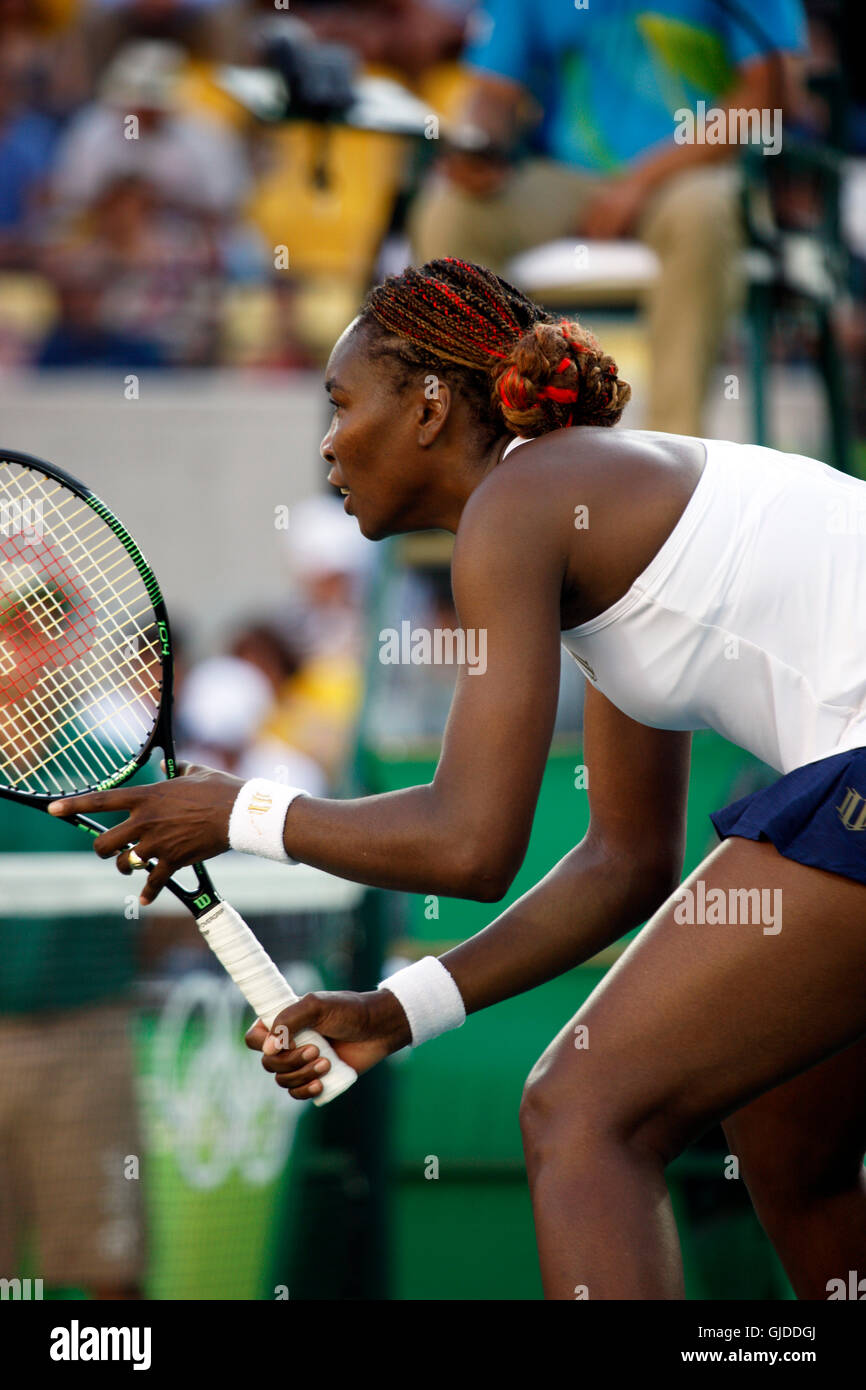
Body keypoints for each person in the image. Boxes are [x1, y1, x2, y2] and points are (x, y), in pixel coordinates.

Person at [50, 257, 866, 1301]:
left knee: (579, 1109)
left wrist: (237, 812)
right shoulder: (576, 504)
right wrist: (397, 1013)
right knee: (787, 1141)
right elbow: (620, 863)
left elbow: (467, 845)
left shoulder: (526, 500)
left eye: (341, 403)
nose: (328, 444)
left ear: (429, 405)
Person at [410, 0, 806, 435]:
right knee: (451, 213)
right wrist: (478, 148)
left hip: (695, 172)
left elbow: (770, 95)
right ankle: (489, 436)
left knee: (703, 212)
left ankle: (671, 450)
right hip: (566, 175)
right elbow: (493, 92)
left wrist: (639, 184)